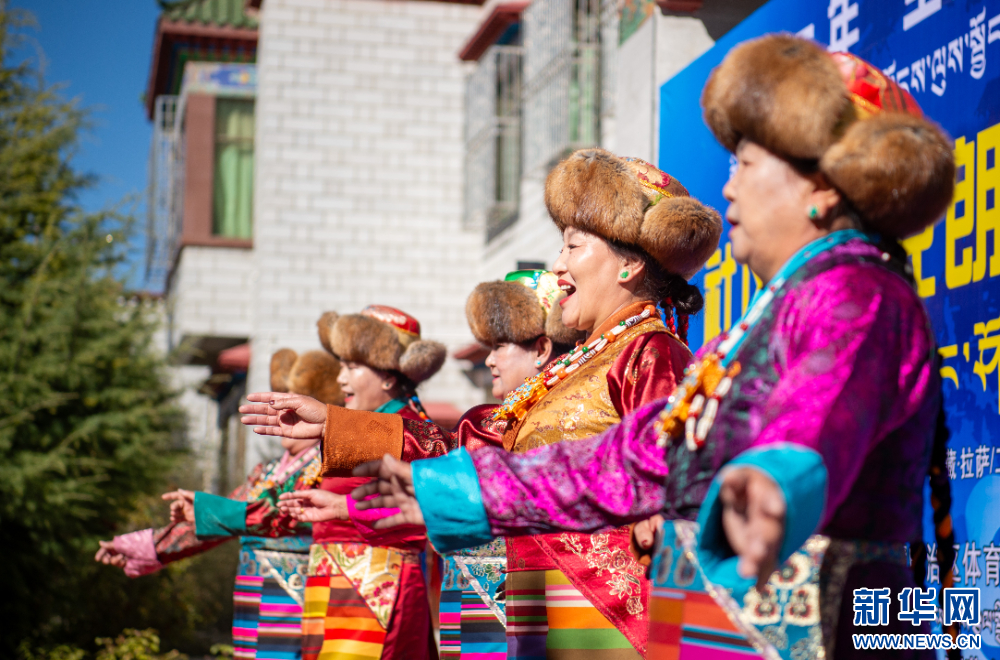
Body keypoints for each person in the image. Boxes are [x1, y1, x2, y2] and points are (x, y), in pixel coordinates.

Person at [348, 36, 954, 660]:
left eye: (746, 164)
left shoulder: (857, 293)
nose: (729, 189)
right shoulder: (787, 307)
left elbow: (822, 414)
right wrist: (454, 491)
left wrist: (773, 479)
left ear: (822, 187)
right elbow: (630, 458)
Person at [241, 152, 722, 660]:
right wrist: (337, 426)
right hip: (543, 614)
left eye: (573, 246)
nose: (558, 266)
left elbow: (668, 478)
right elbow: (466, 450)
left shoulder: (651, 352)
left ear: (629, 264)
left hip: (604, 622)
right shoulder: (575, 367)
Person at [284, 270, 584, 660]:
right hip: (462, 594)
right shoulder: (487, 422)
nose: (489, 359)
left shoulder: (566, 419)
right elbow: (445, 470)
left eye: (499, 346)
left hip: (410, 590)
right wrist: (343, 488)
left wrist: (336, 441)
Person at [95, 348, 342, 660]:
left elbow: (261, 514)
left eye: (291, 407)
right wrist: (147, 547)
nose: (282, 417)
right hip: (251, 603)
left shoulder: (326, 469)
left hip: (298, 602)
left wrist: (204, 510)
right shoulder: (266, 472)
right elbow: (225, 519)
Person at [277, 305, 446, 660]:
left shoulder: (410, 432)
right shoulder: (356, 429)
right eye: (341, 365)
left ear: (388, 377)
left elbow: (426, 510)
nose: (340, 379)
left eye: (352, 367)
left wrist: (345, 508)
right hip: (331, 585)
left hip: (378, 588)